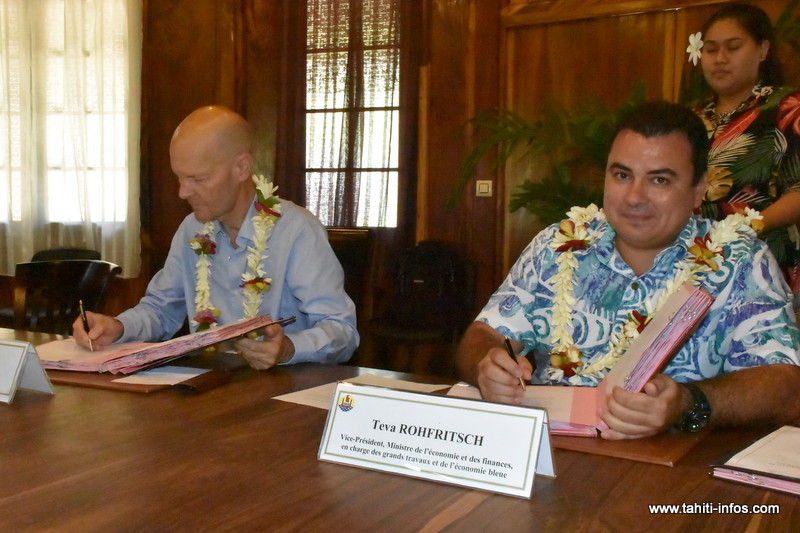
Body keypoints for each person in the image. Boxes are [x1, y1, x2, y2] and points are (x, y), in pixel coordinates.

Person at [455, 101, 800, 440]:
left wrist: (688, 402)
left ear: (699, 188)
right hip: (552, 455)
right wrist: (488, 365)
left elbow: (785, 386)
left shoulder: (739, 260)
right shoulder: (556, 244)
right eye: (622, 175)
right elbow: (483, 335)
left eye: (659, 180)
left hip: (669, 470)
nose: (634, 197)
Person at [73, 105, 359, 369]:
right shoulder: (191, 229)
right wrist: (118, 327)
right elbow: (160, 311)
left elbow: (342, 330)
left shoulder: (297, 231)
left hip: (284, 390)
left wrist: (289, 348)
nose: (182, 192)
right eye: (179, 177)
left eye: (198, 179)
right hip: (209, 384)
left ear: (241, 168)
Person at [693, 3, 800, 294]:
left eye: (733, 47)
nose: (720, 58)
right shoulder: (692, 116)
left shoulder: (787, 109)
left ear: (762, 50)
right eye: (711, 49)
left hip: (762, 259)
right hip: (695, 261)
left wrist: (745, 229)